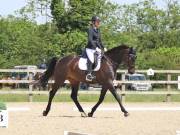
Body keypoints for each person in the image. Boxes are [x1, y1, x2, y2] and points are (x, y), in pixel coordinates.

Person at [85, 16, 106, 81]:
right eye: (97, 22)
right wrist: (95, 48)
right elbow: (90, 40)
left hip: (97, 48)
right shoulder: (90, 29)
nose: (99, 23)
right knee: (92, 59)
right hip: (90, 48)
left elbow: (99, 41)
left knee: (103, 57)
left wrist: (103, 47)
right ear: (93, 22)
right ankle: (88, 75)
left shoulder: (98, 30)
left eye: (99, 22)